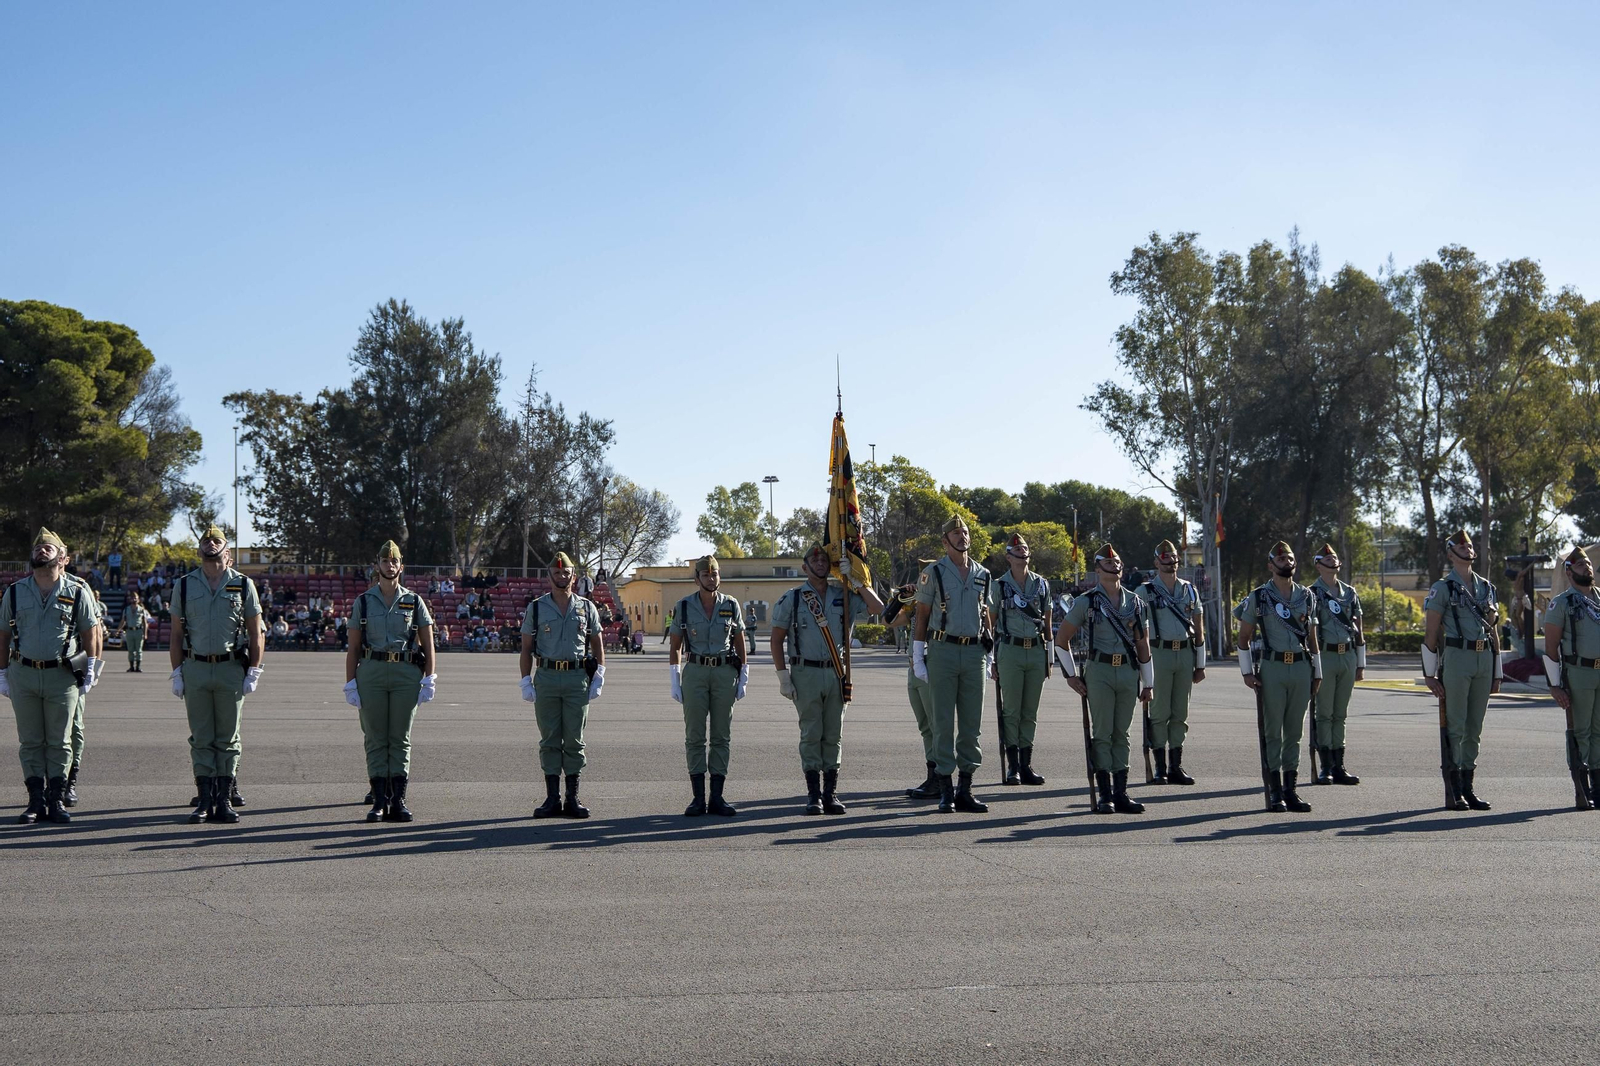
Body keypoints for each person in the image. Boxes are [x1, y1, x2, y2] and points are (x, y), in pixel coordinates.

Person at [771, 543, 884, 814]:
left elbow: (877, 607)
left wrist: (857, 580)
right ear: (805, 567)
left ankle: (830, 793)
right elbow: (776, 640)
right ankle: (813, 795)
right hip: (805, 673)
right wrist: (783, 676)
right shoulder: (793, 599)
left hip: (836, 673)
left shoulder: (843, 594)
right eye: (814, 560)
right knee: (811, 733)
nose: (820, 563)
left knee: (833, 735)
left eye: (824, 560)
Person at [0, 528, 102, 824]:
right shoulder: (15, 591)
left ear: (63, 558)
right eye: (38, 548)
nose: (41, 550)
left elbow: (90, 633)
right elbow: (3, 635)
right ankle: (35, 801)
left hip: (61, 675)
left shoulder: (78, 591)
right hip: (24, 674)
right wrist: (2, 672)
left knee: (60, 741)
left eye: (48, 548)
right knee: (30, 741)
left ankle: (56, 799)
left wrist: (91, 669)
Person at [169, 526, 264, 824]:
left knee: (227, 737)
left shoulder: (243, 585)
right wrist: (176, 673)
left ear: (228, 552)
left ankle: (223, 800)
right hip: (195, 668)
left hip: (230, 669)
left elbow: (255, 632)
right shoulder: (184, 586)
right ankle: (205, 799)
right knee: (201, 737)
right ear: (199, 550)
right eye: (206, 541)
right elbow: (175, 634)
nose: (210, 544)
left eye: (217, 541)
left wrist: (254, 670)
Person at [1055, 544, 1155, 814]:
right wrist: (1071, 676)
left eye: (1118, 562)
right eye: (1108, 563)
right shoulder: (1086, 601)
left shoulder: (1136, 602)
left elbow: (1143, 644)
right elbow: (1061, 640)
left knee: (1122, 733)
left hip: (1127, 670)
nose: (1115, 566)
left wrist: (1149, 683)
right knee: (1102, 733)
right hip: (1098, 671)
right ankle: (1105, 794)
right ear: (1098, 569)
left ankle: (1121, 792)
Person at [344, 540, 437, 822]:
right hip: (371, 671)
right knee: (375, 738)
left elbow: (428, 643)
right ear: (378, 566)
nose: (390, 565)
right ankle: (379, 800)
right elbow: (354, 647)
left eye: (394, 561)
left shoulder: (414, 601)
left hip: (405, 673)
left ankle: (398, 799)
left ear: (401, 566)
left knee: (399, 738)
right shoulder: (363, 601)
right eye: (385, 561)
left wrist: (430, 677)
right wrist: (350, 682)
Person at [911, 517, 994, 814]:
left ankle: (965, 789)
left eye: (966, 532)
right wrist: (918, 657)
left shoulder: (983, 574)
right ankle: (945, 789)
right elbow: (922, 615)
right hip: (942, 651)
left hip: (973, 653)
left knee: (972, 726)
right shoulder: (933, 572)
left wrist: (989, 653)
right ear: (945, 541)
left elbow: (985, 615)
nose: (963, 536)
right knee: (942, 723)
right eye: (956, 533)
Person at [1235, 541, 1321, 814]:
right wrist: (1247, 672)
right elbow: (1244, 638)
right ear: (1271, 565)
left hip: (1300, 666)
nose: (1287, 561)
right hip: (1272, 667)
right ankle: (1275, 793)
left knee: (1295, 731)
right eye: (1281, 558)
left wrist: (1317, 672)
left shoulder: (1307, 596)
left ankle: (1290, 790)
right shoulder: (1259, 597)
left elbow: (1312, 639)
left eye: (1290, 557)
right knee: (1273, 730)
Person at [519, 552, 606, 818]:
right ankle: (552, 799)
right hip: (546, 676)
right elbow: (525, 648)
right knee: (549, 740)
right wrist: (525, 680)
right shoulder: (536, 607)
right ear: (549, 577)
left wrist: (599, 674)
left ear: (573, 576)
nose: (562, 576)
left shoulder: (586, 607)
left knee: (575, 740)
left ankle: (572, 798)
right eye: (556, 573)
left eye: (566, 572)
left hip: (576, 678)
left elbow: (597, 644)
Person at [1422, 530, 1502, 811]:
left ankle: (1469, 787)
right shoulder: (1442, 588)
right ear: (1450, 554)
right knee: (1455, 726)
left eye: (1469, 545)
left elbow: (1494, 631)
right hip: (1456, 656)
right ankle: (1454, 788)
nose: (1467, 549)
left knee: (1474, 727)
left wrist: (1498, 670)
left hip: (1483, 658)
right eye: (1461, 546)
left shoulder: (1486, 587)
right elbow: (1431, 633)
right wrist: (1429, 675)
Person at [668, 556, 746, 817]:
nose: (711, 579)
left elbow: (739, 640)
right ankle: (698, 798)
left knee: (722, 735)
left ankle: (717, 797)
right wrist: (674, 678)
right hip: (696, 672)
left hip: (724, 672)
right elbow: (675, 645)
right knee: (695, 736)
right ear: (697, 578)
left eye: (715, 574)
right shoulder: (685, 606)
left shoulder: (731, 604)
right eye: (706, 575)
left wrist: (743, 675)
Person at [1130, 540, 1206, 785]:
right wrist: (1142, 665)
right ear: (1156, 562)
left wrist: (1201, 664)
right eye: (1165, 557)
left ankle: (1176, 766)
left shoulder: (1190, 590)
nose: (1170, 560)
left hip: (1184, 653)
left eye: (1173, 557)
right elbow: (1138, 632)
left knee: (1180, 712)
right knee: (1160, 711)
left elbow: (1199, 627)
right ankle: (1160, 767)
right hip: (1159, 653)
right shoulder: (1146, 592)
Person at [988, 533, 1053, 787]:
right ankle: (1013, 766)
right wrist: (992, 659)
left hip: (1036, 651)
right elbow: (990, 624)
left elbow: (1047, 623)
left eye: (1025, 549)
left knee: (1030, 711)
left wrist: (1049, 657)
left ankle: (1026, 765)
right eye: (1017, 550)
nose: (1022, 553)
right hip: (1010, 650)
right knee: (1011, 710)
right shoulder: (999, 586)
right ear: (1008, 557)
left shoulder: (1042, 585)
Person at [1543, 545, 1600, 809]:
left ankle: (1598, 786)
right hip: (1578, 672)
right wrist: (1555, 685)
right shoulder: (1562, 603)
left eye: (1588, 564)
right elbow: (1551, 647)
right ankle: (1582, 786)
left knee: (1599, 731)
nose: (1587, 568)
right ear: (1569, 572)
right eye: (1580, 565)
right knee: (1581, 731)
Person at [1309, 542, 1364, 786]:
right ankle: (1326, 767)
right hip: (1325, 655)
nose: (1332, 561)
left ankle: (1339, 765)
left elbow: (1359, 630)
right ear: (1318, 565)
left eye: (1334, 558)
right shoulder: (1311, 593)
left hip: (1348, 655)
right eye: (1327, 559)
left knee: (1340, 714)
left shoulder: (1350, 592)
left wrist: (1360, 663)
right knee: (1324, 713)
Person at [884, 561, 938, 798]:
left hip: (931, 668)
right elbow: (888, 621)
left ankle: (940, 777)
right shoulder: (915, 607)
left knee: (937, 726)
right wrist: (901, 599)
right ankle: (932, 775)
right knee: (925, 726)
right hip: (913, 670)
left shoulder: (939, 604)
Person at [119, 590, 152, 672]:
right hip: (129, 631)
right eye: (132, 598)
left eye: (135, 598)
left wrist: (145, 633)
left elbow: (145, 622)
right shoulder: (126, 609)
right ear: (130, 599)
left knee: (139, 650)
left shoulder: (142, 610)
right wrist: (118, 629)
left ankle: (138, 667)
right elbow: (123, 621)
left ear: (138, 599)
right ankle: (131, 667)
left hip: (138, 631)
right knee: (130, 650)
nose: (134, 600)